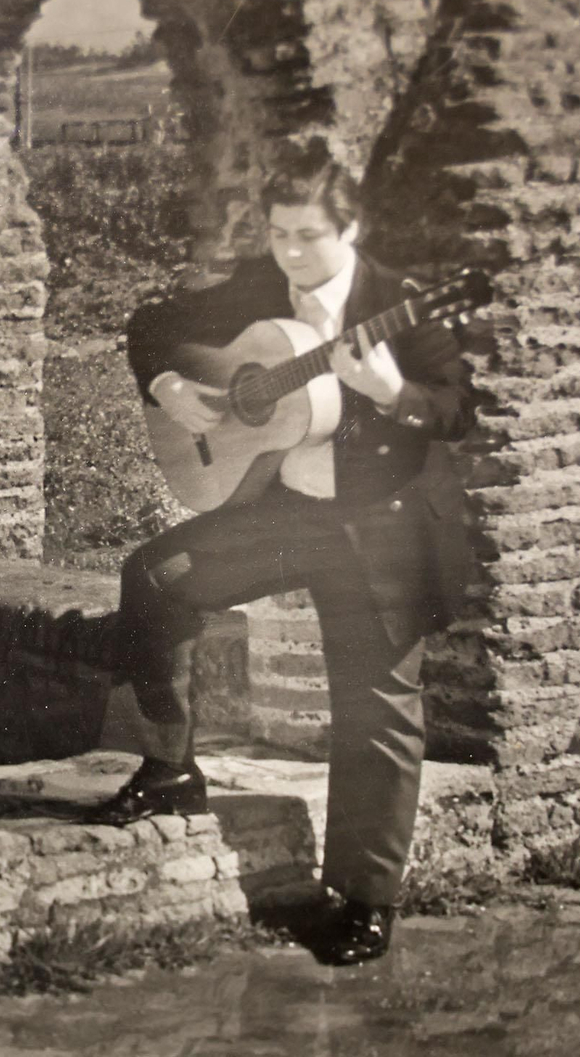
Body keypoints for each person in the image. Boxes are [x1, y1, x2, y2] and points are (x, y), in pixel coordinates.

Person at [88, 143, 479, 967]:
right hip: (287, 512)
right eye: (279, 234)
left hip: (380, 527)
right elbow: (152, 324)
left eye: (310, 235)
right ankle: (168, 768)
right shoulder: (262, 292)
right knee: (157, 574)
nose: (292, 254)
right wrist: (170, 386)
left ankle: (366, 901)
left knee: (375, 705)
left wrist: (389, 394)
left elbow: (455, 410)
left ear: (352, 226)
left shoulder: (405, 304)